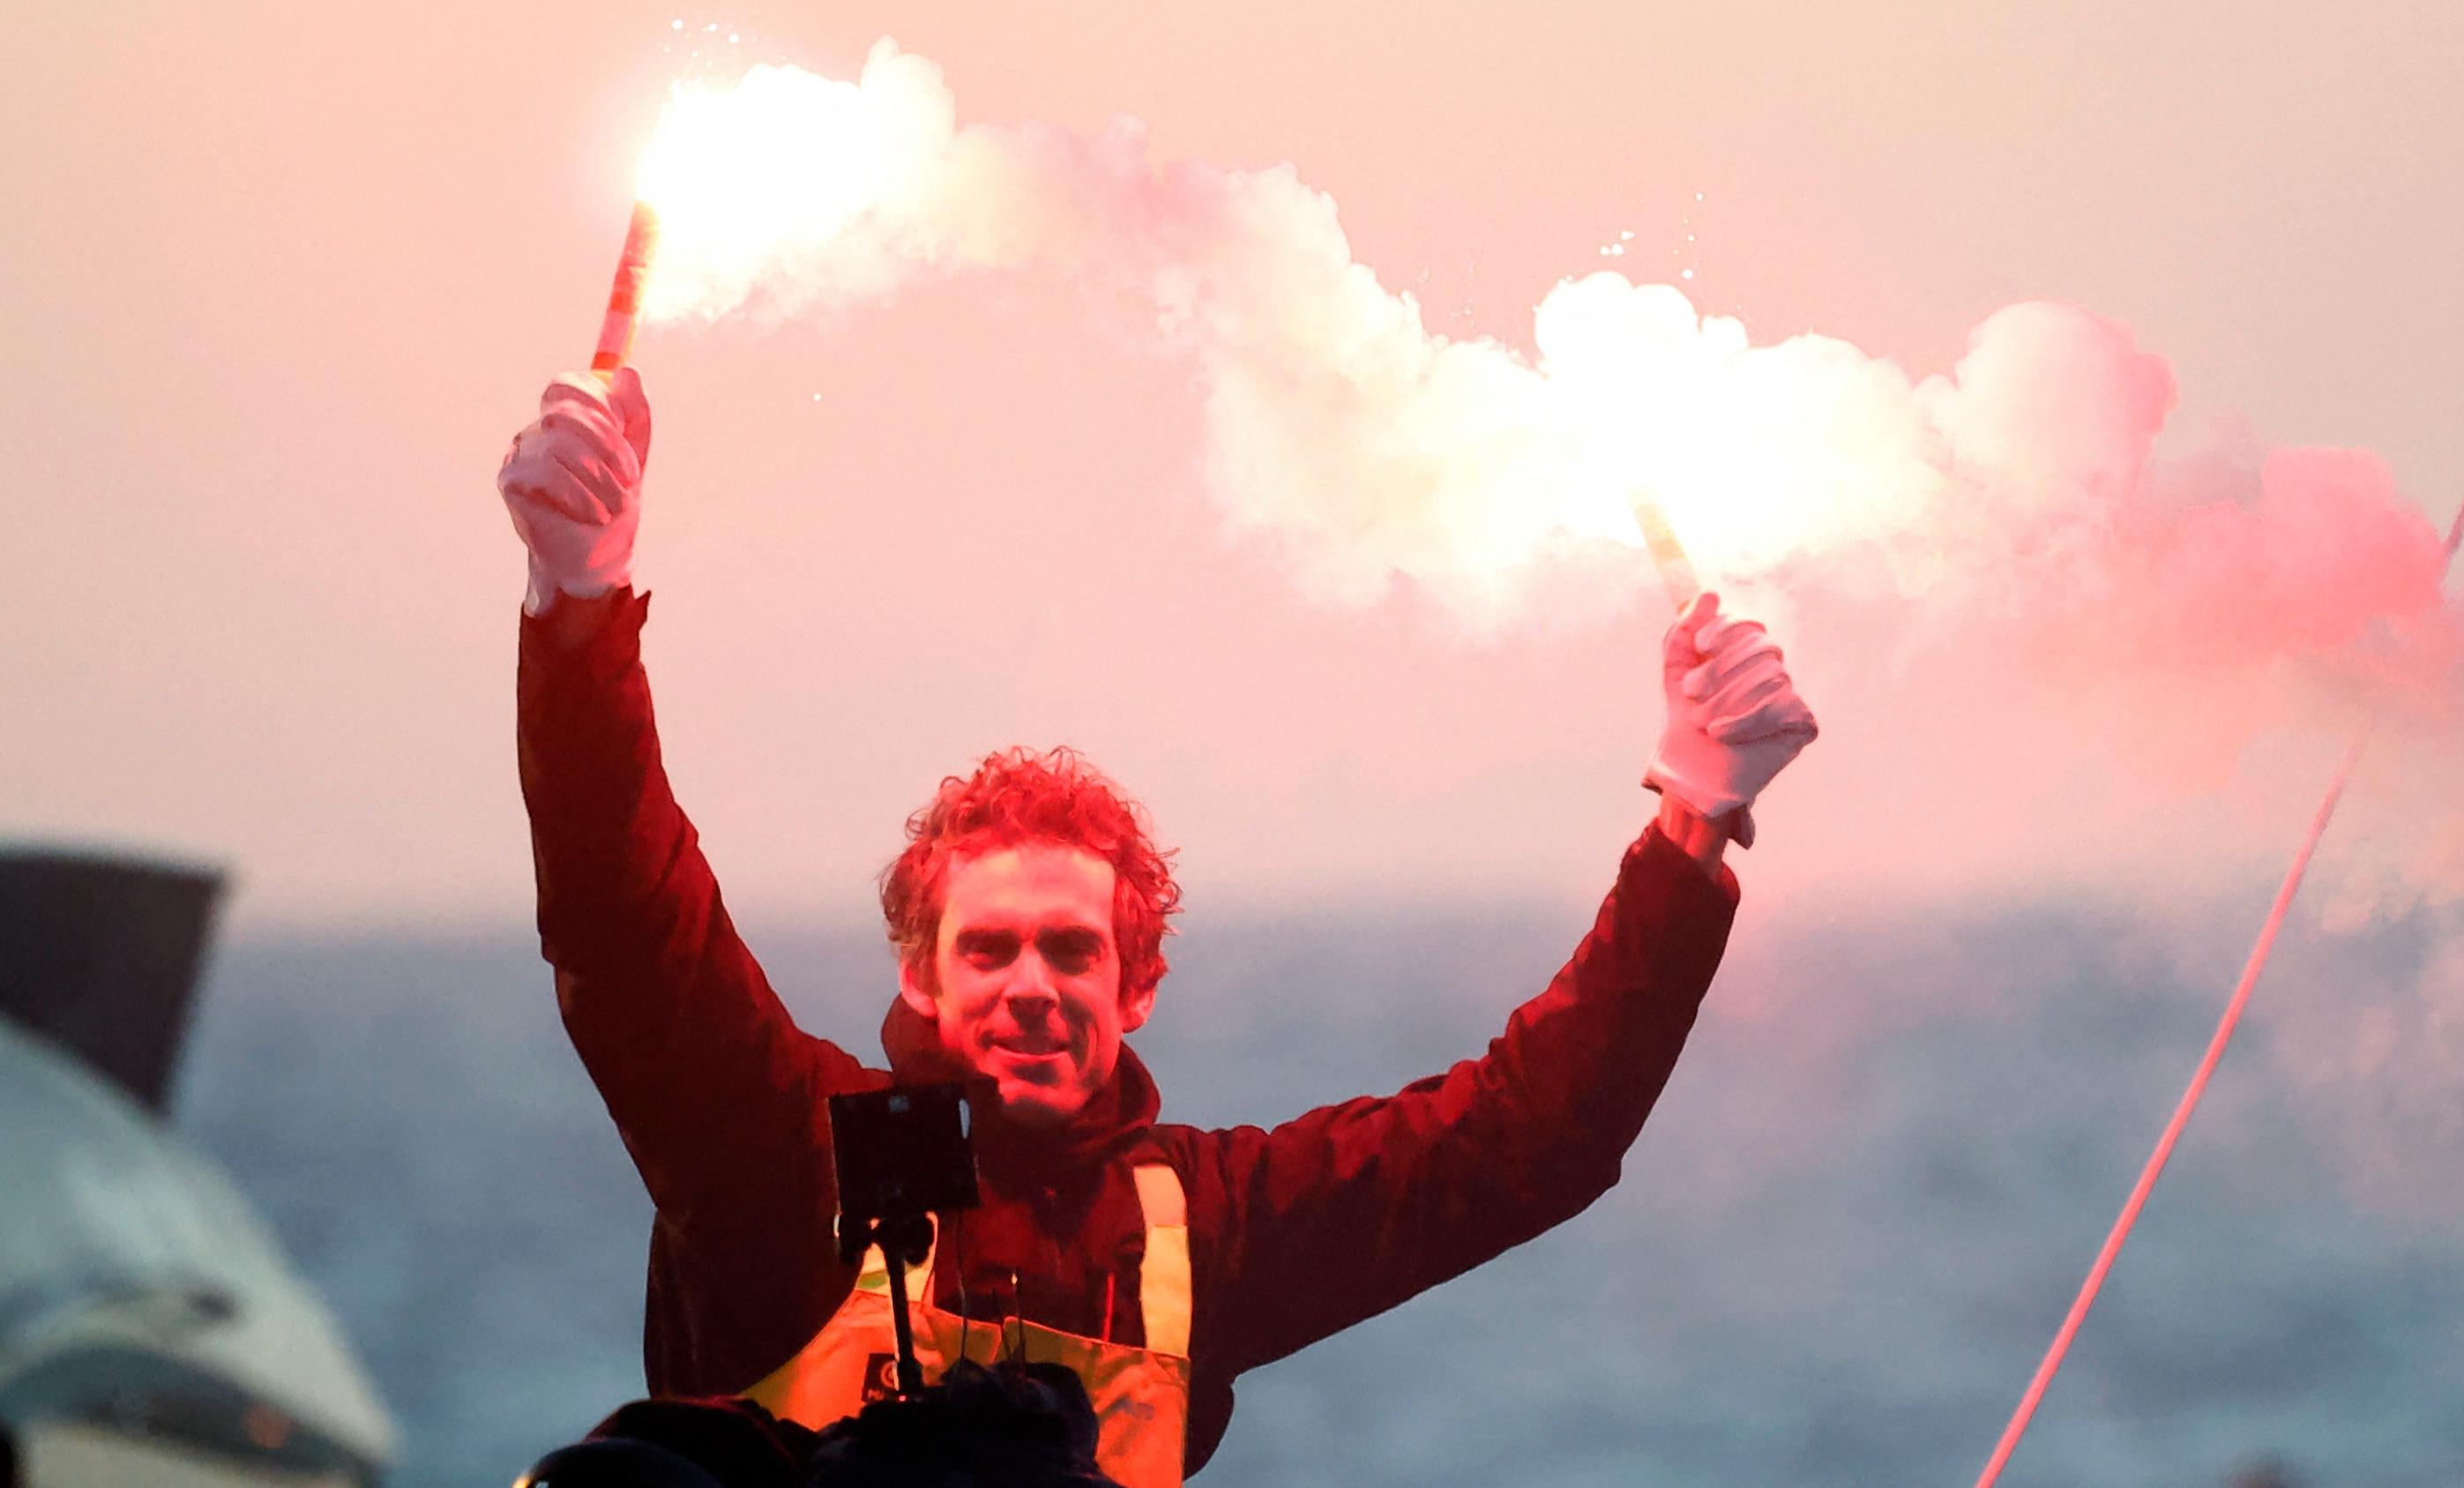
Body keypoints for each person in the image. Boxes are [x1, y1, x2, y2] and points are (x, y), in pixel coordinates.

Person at [497, 366, 1817, 1487]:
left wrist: (1693, 822)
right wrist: (579, 605)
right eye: (989, 946)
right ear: (919, 971)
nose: (1030, 983)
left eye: (1073, 951)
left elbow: (1525, 1141)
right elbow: (628, 937)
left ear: (1139, 986)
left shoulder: (1206, 1226)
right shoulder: (792, 1162)